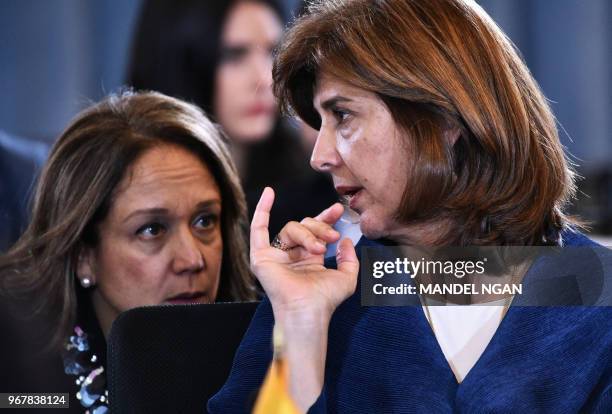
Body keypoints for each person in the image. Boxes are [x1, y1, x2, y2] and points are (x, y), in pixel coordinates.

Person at [208, 0, 612, 412]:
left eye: (343, 115)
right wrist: (301, 328)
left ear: (444, 119)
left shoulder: (601, 292)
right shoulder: (311, 298)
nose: (320, 155)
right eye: (319, 123)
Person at [0, 91, 256, 413]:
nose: (193, 260)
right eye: (152, 229)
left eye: (205, 221)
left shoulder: (263, 353)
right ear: (83, 255)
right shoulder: (23, 386)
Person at [127, 0, 337, 235]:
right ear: (180, 63)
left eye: (273, 52)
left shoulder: (317, 191)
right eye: (234, 55)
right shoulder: (131, 189)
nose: (265, 79)